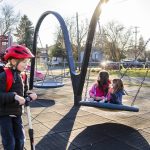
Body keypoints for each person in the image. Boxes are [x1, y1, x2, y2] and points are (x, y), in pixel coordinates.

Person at [0, 45, 37, 150]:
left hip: (17, 113)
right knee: (10, 142)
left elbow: (24, 92)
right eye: (24, 62)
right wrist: (14, 96)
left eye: (27, 62)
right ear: (13, 61)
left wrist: (29, 94)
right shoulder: (4, 76)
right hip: (4, 114)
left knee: (21, 139)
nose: (26, 65)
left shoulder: (23, 76)